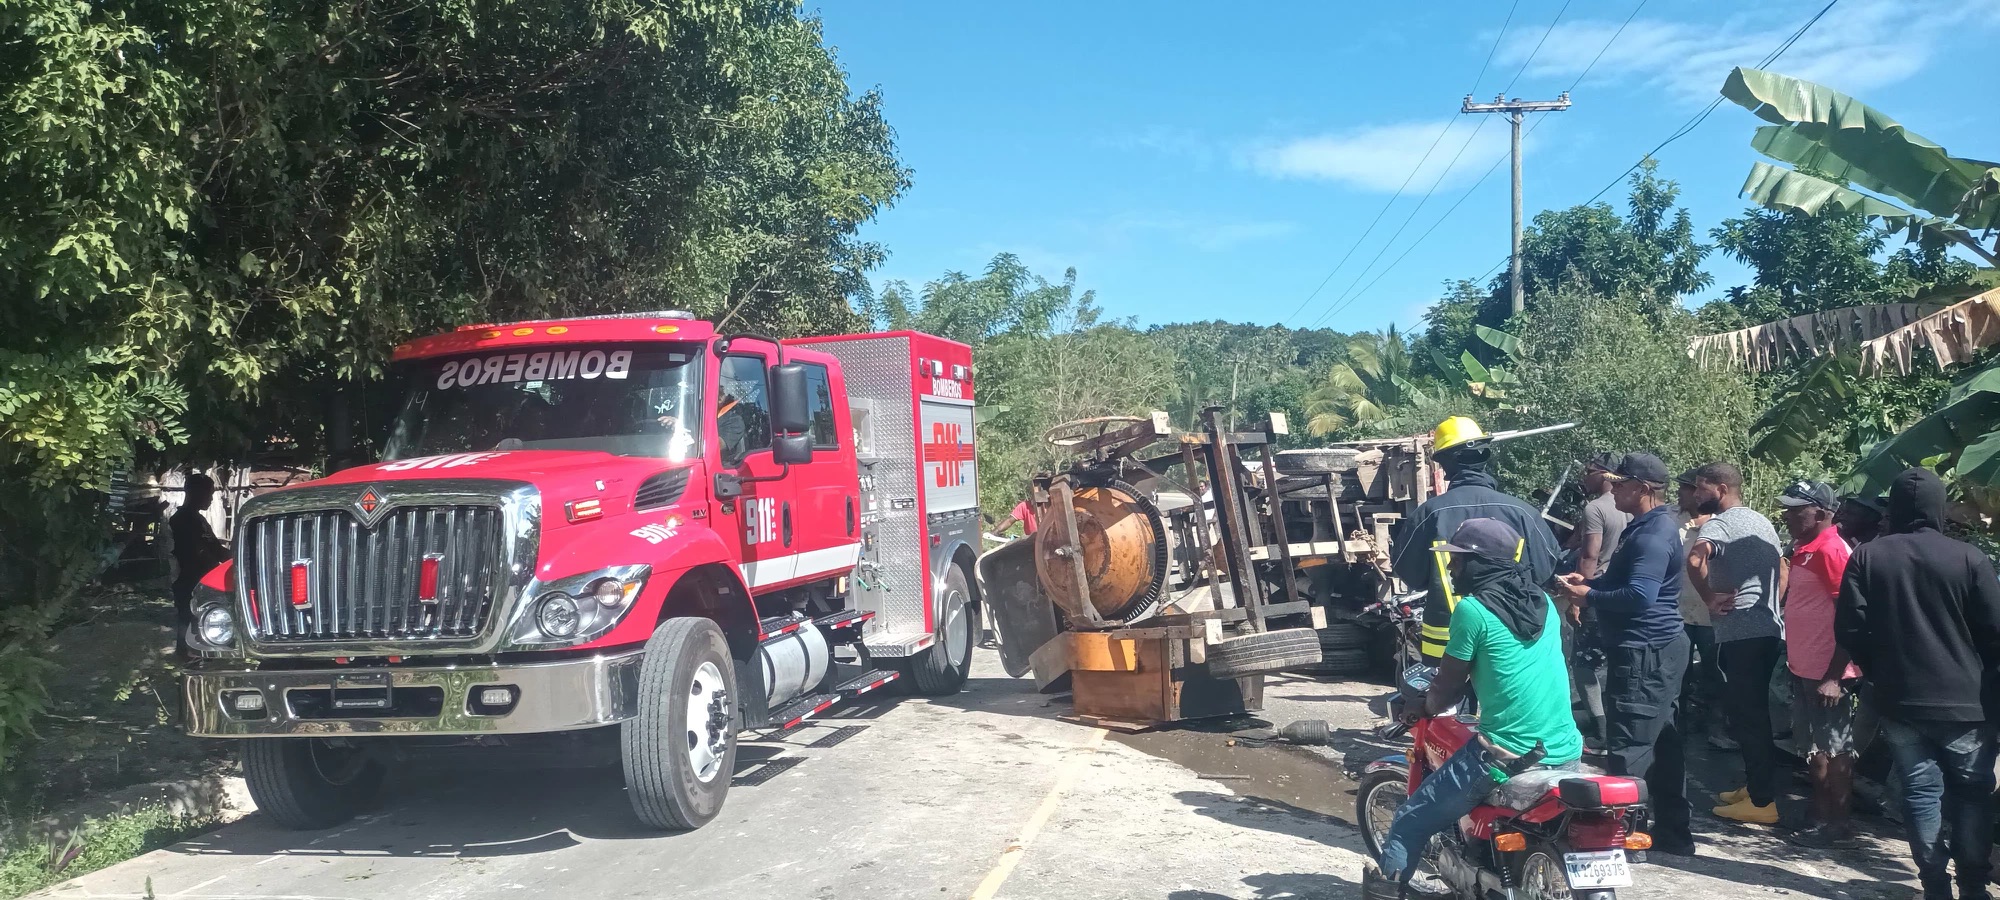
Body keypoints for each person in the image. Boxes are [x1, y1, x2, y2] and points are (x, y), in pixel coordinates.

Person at [1367, 518, 1584, 892]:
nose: (1451, 569)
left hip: (1505, 754)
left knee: (1407, 822)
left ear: (1480, 563)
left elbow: (1445, 690)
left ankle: (1387, 891)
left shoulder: (1473, 610)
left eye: (1458, 560)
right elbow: (1512, 663)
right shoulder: (1545, 603)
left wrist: (1420, 704)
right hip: (1565, 751)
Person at [1836, 469, 2000, 900]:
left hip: (1900, 699)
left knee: (1919, 793)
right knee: (1972, 795)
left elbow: (1850, 629)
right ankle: (1973, 885)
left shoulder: (1869, 557)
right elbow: (1995, 633)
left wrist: (1879, 669)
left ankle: (1934, 884)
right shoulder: (1969, 559)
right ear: (1938, 508)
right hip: (1969, 704)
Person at [1553, 452, 1694, 856]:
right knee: (1664, 745)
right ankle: (1672, 835)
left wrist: (1589, 594)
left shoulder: (1651, 535)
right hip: (1656, 650)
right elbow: (1630, 580)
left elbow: (1640, 596)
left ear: (1644, 490)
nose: (1614, 488)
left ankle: (1610, 842)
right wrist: (1591, 580)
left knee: (1629, 747)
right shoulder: (1648, 526)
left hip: (1645, 653)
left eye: (1623, 483)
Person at [1391, 416, 1562, 664]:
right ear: (1485, 456)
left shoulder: (1429, 515)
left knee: (1446, 701)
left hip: (1446, 643)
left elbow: (1411, 576)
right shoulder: (1523, 513)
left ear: (1444, 463)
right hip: (1511, 639)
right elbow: (1545, 571)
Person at [1685, 461, 1785, 826]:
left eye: (1701, 488)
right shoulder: (1762, 521)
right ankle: (1755, 786)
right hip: (1768, 629)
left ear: (1721, 490)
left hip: (1741, 632)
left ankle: (1762, 803)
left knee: (1748, 716)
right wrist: (1769, 605)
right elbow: (1783, 567)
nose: (1696, 495)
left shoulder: (1719, 524)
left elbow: (1695, 559)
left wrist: (1709, 598)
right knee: (1753, 713)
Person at [1768, 481, 1862, 848]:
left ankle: (1836, 823)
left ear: (1822, 514)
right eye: (1787, 509)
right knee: (1812, 745)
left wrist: (1835, 676)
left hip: (1827, 672)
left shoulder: (1832, 550)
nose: (1787, 515)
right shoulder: (1806, 547)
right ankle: (1820, 815)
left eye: (1796, 510)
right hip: (1804, 666)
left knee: (1834, 746)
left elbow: (1850, 615)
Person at [1674, 469, 1721, 738]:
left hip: (1710, 614)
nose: (1679, 493)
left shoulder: (1721, 522)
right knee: (1678, 673)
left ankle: (1713, 726)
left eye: (1684, 488)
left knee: (1715, 674)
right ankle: (1677, 726)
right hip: (1678, 611)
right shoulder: (1672, 519)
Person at [170, 473, 231, 644]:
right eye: (209, 493)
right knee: (188, 618)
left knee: (203, 619)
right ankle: (186, 656)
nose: (211, 499)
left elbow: (215, 548)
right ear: (194, 492)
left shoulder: (199, 519)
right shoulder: (181, 520)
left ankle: (197, 654)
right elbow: (198, 552)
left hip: (203, 579)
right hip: (188, 579)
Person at [1573, 453, 1631, 579]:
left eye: (1589, 471)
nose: (1585, 477)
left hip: (1595, 583)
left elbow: (1590, 556)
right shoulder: (1630, 507)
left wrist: (1580, 591)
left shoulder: (1596, 508)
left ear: (1603, 474)